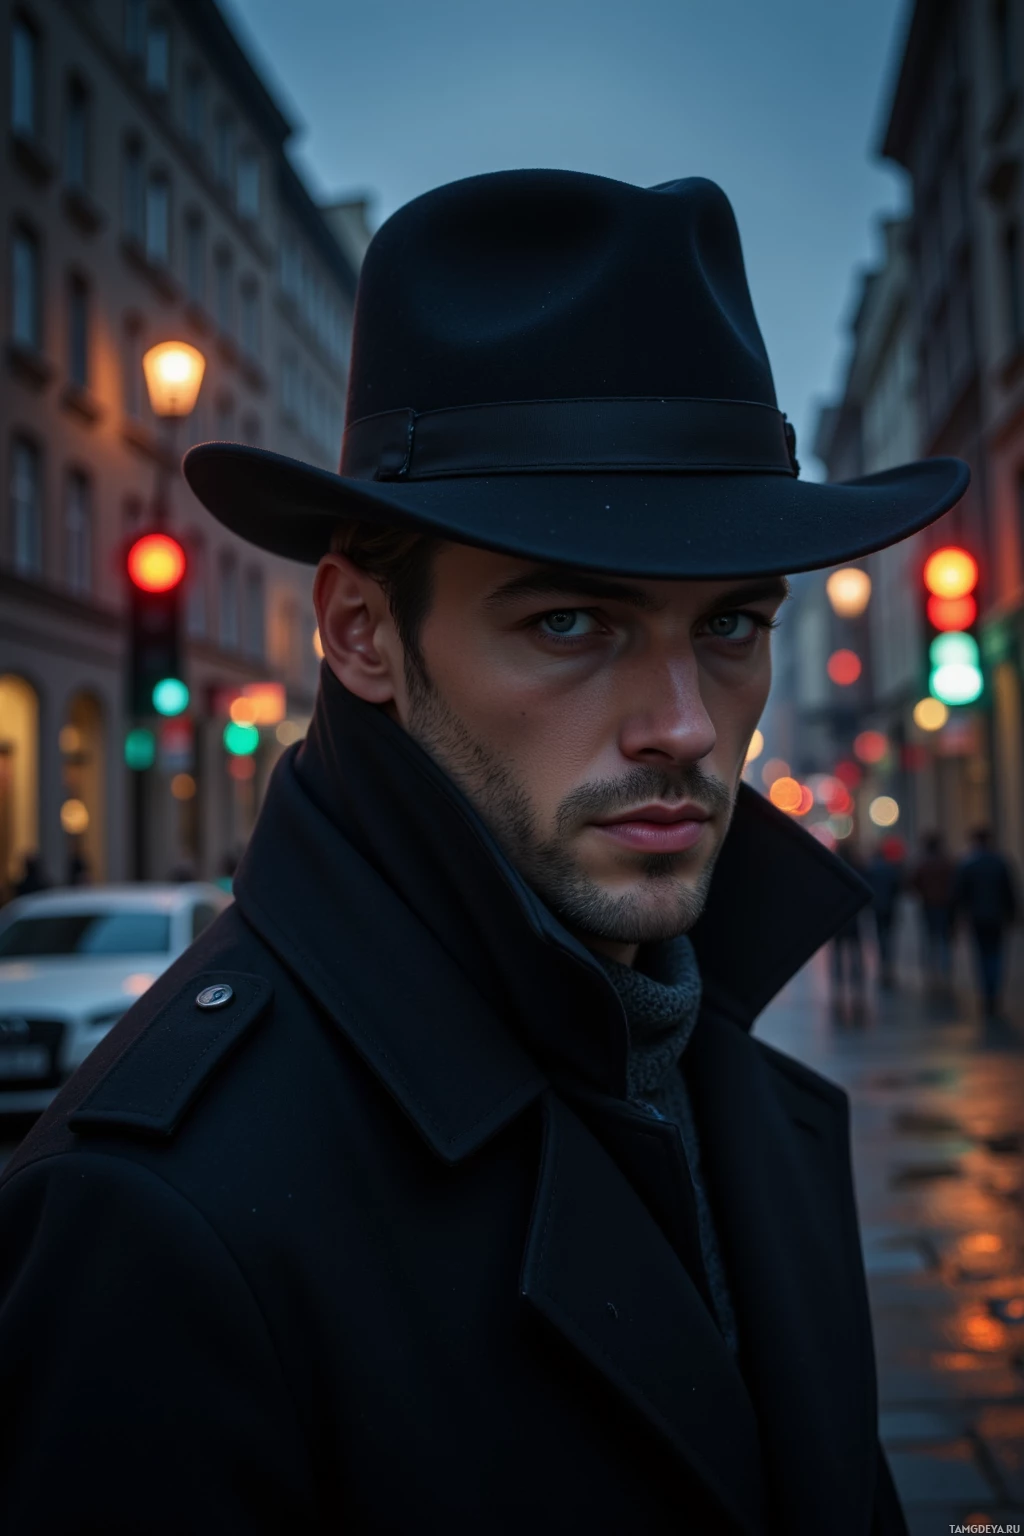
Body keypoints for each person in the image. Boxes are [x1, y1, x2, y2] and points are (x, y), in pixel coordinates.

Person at [0, 169, 967, 1534]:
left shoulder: (707, 1053)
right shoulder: (158, 1217)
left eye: (732, 625)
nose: (685, 724)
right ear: (361, 633)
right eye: (572, 622)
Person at [954, 827, 1018, 1019]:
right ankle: (993, 992)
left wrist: (959, 916)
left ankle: (987, 992)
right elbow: (1009, 891)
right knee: (996, 955)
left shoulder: (968, 864)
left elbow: (960, 894)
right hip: (996, 917)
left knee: (982, 956)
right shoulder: (1000, 862)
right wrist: (1012, 914)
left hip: (978, 917)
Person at [911, 831, 955, 986]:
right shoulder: (947, 862)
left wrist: (923, 893)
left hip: (928, 904)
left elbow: (913, 882)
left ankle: (932, 968)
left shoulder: (923, 863)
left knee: (930, 937)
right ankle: (944, 968)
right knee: (944, 937)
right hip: (944, 905)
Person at [865, 840, 905, 990]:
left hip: (878, 908)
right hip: (889, 907)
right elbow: (897, 887)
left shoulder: (872, 869)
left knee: (880, 936)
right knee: (889, 936)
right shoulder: (890, 869)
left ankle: (883, 964)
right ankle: (888, 965)